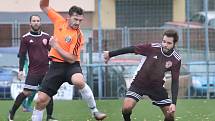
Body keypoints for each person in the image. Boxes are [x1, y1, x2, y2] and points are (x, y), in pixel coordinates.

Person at [31, 0, 107, 121]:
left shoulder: (78, 35)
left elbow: (71, 59)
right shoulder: (59, 20)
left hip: (71, 66)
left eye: (80, 20)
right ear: (69, 17)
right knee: (41, 100)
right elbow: (43, 5)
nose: (78, 23)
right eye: (75, 19)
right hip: (56, 66)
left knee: (78, 80)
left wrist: (56, 46)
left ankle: (94, 111)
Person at [104, 29, 181, 121]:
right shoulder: (152, 48)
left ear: (174, 44)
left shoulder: (176, 59)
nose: (165, 44)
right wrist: (110, 54)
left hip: (157, 87)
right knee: (126, 108)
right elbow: (131, 49)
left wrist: (174, 103)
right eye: (164, 41)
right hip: (140, 83)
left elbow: (175, 82)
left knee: (170, 116)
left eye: (169, 43)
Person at [8, 15, 58, 121]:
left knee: (48, 93)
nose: (36, 22)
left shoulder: (46, 37)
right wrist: (21, 70)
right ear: (30, 23)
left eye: (38, 21)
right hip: (33, 71)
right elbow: (22, 55)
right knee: (27, 93)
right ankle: (12, 112)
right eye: (34, 21)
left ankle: (49, 117)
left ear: (40, 23)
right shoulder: (26, 38)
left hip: (46, 71)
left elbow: (53, 52)